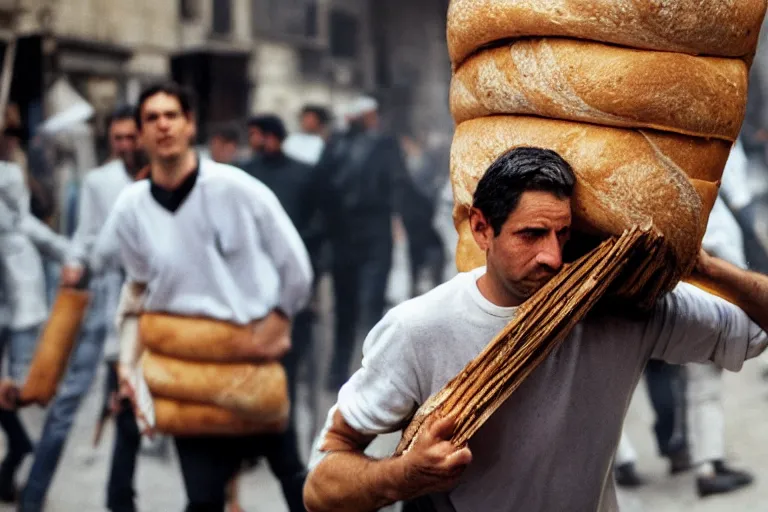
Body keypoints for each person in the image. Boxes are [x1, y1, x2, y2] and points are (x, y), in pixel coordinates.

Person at [303, 147, 768, 512]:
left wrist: (703, 265)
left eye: (562, 235)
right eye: (530, 235)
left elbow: (755, 328)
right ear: (482, 229)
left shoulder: (621, 308)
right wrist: (403, 476)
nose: (551, 256)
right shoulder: (418, 329)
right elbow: (320, 484)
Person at [95, 82, 313, 512]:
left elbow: (295, 266)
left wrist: (280, 319)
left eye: (171, 115)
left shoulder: (237, 188)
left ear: (190, 124)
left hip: (252, 355)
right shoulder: (131, 207)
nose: (162, 125)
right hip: (188, 369)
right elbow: (137, 292)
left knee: (293, 477)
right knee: (202, 497)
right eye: (151, 118)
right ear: (140, 134)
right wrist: (128, 364)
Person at [16, 105, 147, 512]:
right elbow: (85, 237)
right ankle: (32, 498)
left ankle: (120, 501)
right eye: (118, 138)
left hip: (145, 308)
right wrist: (74, 263)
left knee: (136, 408)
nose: (125, 145)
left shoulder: (158, 180)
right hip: (102, 304)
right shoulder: (98, 181)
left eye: (131, 138)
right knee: (68, 401)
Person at [312, 96, 418, 390]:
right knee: (360, 308)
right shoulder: (370, 145)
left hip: (357, 233)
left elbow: (322, 187)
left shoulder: (340, 145)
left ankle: (352, 374)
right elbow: (399, 184)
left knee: (357, 307)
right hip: (361, 234)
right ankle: (360, 376)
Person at [0, 135, 73, 502]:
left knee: (21, 390)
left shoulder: (21, 225)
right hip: (13, 315)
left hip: (24, 317)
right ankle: (17, 454)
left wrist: (79, 261)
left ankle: (17, 463)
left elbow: (57, 245)